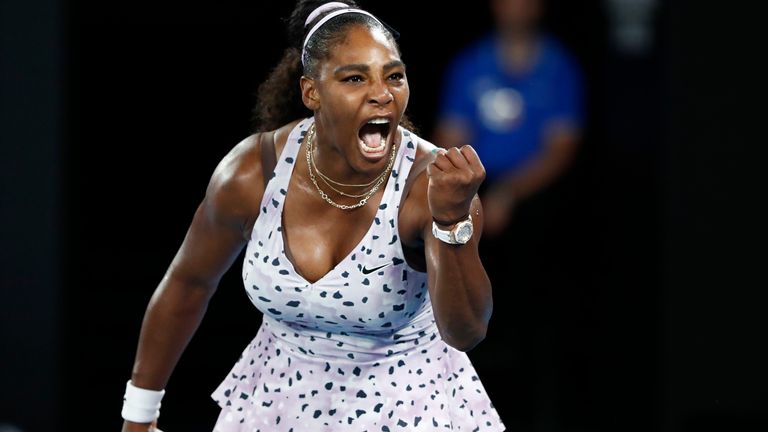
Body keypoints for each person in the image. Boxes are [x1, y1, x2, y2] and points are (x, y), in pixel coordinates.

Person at [120, 1, 505, 431]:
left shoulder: (428, 187)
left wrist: (451, 222)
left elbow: (466, 331)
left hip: (406, 409)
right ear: (312, 92)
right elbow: (188, 284)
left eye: (393, 75)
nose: (382, 93)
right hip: (272, 407)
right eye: (355, 78)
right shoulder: (253, 172)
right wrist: (139, 414)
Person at [434, 0, 584, 237]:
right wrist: (468, 194)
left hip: (537, 192)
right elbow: (450, 139)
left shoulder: (559, 68)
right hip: (476, 188)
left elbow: (561, 149)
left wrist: (510, 192)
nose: (516, 7)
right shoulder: (469, 65)